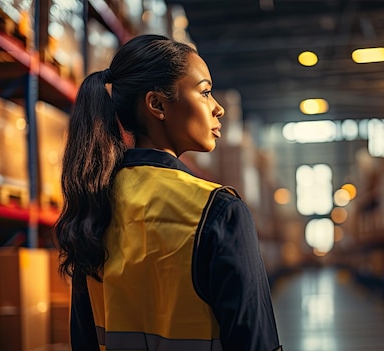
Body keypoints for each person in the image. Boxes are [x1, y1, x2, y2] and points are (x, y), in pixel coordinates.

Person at [55, 34, 282, 351]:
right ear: (157, 104)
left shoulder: (93, 207)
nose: (218, 109)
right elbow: (256, 343)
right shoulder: (218, 211)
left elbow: (84, 341)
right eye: (204, 92)